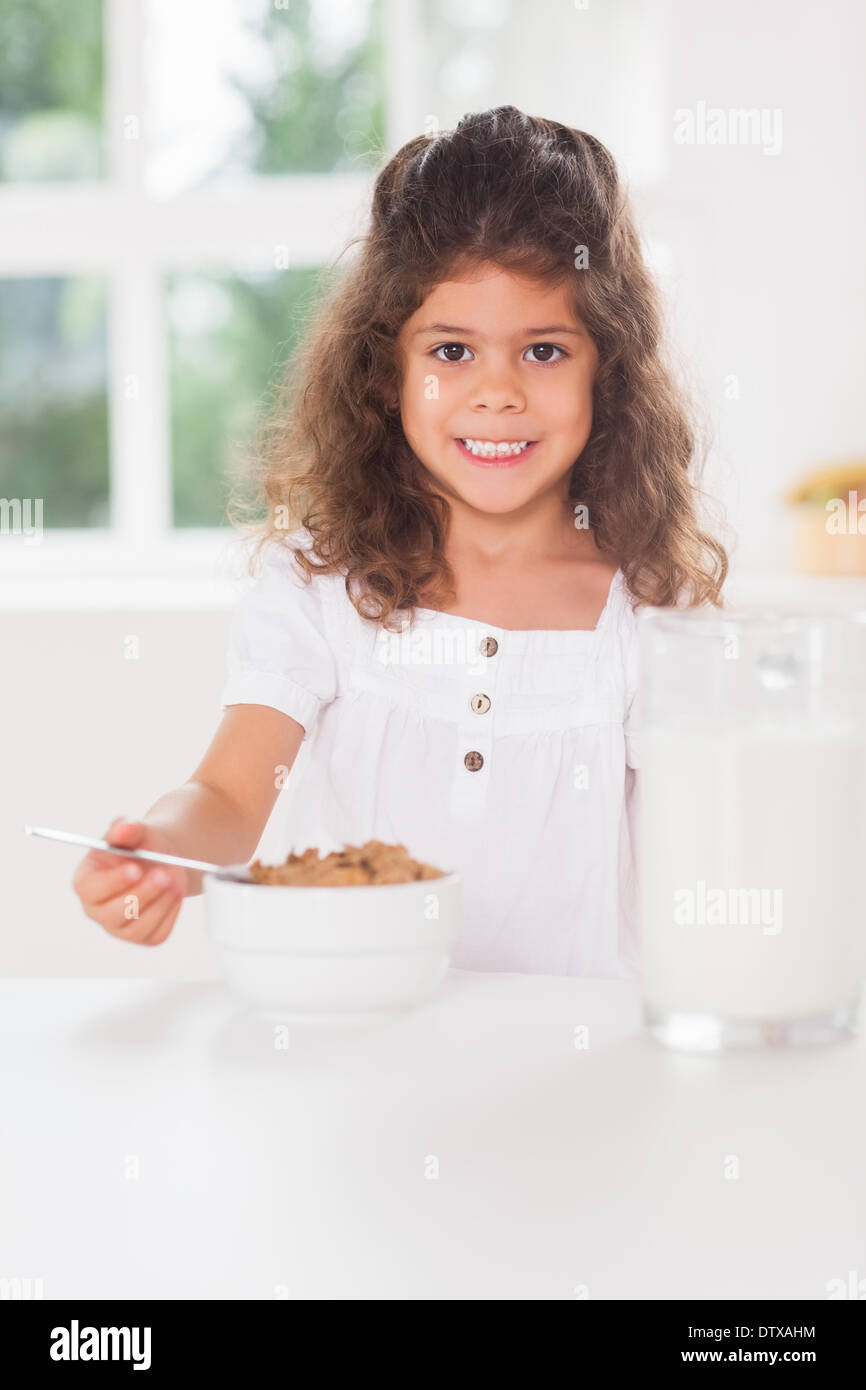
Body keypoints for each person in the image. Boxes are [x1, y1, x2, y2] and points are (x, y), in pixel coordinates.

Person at [72, 106, 728, 975]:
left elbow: (707, 855)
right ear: (388, 372)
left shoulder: (650, 611)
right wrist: (157, 852)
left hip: (575, 1080)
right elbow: (230, 795)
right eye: (452, 351)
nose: (497, 394)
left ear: (608, 367)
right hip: (352, 1063)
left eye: (543, 352)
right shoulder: (323, 584)